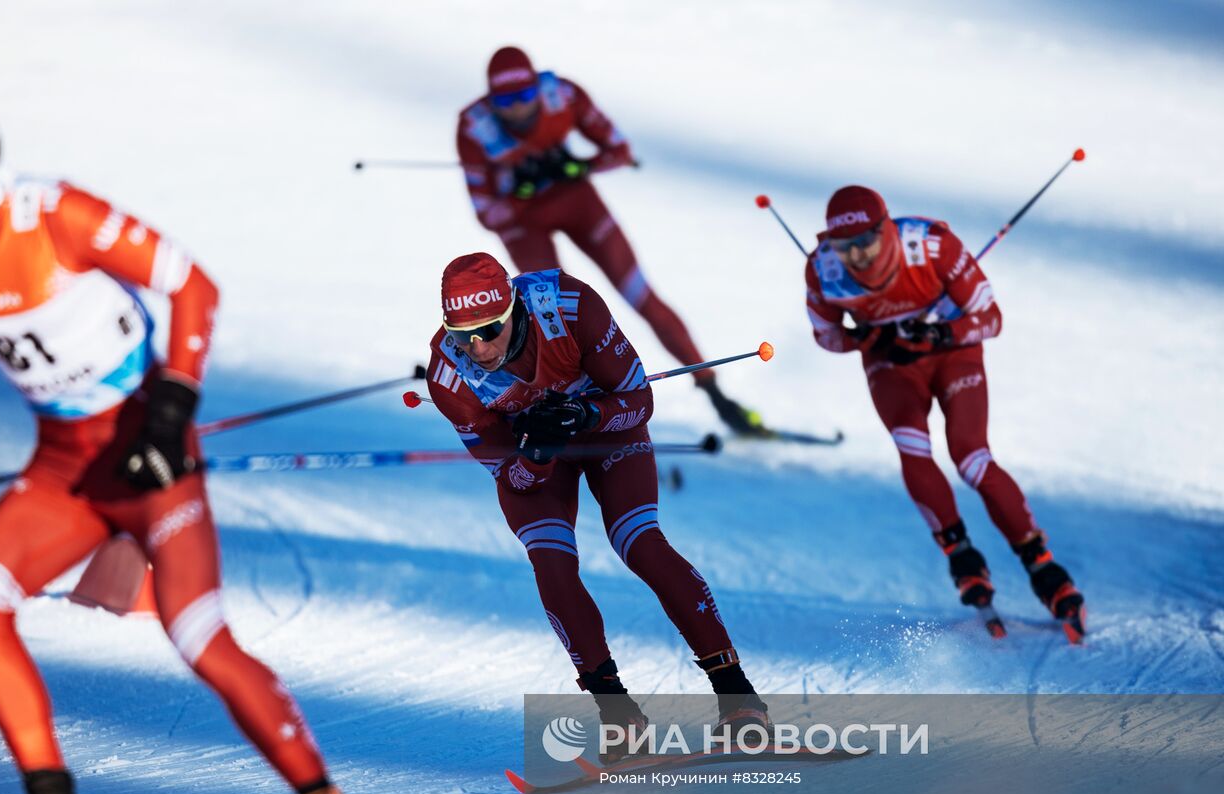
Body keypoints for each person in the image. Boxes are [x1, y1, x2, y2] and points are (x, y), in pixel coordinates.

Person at [0, 88, 378, 794]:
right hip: (63, 466)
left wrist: (169, 414)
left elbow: (195, 286)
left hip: (146, 453)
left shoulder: (56, 216)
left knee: (198, 635)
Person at [426, 252, 770, 758]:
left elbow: (638, 401)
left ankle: (738, 696)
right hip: (540, 457)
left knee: (641, 544)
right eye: (462, 336)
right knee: (551, 562)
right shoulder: (448, 376)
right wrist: (538, 455)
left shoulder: (568, 306)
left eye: (490, 329)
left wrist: (585, 414)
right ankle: (618, 713)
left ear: (514, 310)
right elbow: (513, 478)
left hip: (606, 431)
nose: (477, 348)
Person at [803, 185, 1086, 643]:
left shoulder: (932, 246)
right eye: (844, 246)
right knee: (913, 447)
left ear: (886, 230)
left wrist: (939, 334)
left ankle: (1041, 563)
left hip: (953, 355)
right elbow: (826, 337)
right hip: (891, 363)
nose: (856, 256)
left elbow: (991, 318)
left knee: (972, 458)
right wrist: (865, 339)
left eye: (865, 243)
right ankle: (961, 553)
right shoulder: (823, 269)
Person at [456, 46, 766, 437]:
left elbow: (619, 151)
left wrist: (577, 165)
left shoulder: (563, 96)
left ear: (538, 88)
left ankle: (717, 396)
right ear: (489, 101)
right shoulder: (473, 125)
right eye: (505, 101)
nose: (516, 110)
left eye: (524, 97)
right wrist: (516, 185)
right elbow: (487, 212)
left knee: (640, 295)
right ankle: (571, 410)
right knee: (550, 320)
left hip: (578, 203)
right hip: (525, 223)